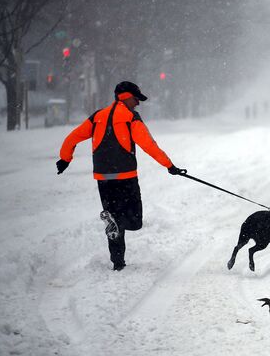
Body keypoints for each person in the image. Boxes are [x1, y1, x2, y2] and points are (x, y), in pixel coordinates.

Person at [56, 81, 186, 271]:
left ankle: (118, 261)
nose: (138, 103)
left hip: (103, 178)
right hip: (125, 177)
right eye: (136, 99)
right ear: (127, 97)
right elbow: (149, 145)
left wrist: (65, 159)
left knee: (113, 219)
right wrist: (169, 166)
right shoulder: (130, 117)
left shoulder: (97, 116)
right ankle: (118, 224)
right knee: (134, 219)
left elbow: (72, 137)